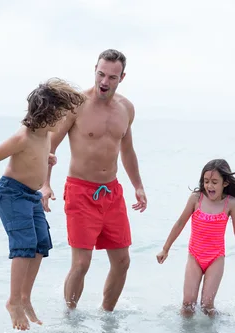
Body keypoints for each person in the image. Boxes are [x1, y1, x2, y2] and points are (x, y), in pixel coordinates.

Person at [0, 78, 85, 330]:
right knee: (24, 245)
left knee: (41, 244)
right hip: (11, 194)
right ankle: (13, 302)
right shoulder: (22, 137)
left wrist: (47, 158)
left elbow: (38, 154)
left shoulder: (46, 135)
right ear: (45, 114)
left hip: (31, 195)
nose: (63, 120)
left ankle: (25, 298)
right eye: (60, 114)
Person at [39, 49, 147, 312]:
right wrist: (45, 183)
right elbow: (50, 145)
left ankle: (107, 316)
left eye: (112, 76)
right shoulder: (77, 105)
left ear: (122, 77)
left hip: (112, 192)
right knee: (81, 264)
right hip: (80, 190)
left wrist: (138, 186)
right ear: (95, 70)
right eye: (101, 74)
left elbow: (127, 150)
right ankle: (70, 317)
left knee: (122, 261)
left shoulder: (126, 108)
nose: (105, 81)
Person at [156, 158, 235, 317]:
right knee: (188, 304)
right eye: (206, 181)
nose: (209, 186)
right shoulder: (196, 199)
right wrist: (165, 249)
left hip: (215, 259)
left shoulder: (231, 203)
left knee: (207, 306)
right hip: (195, 256)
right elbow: (180, 223)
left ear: (225, 183)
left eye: (215, 182)